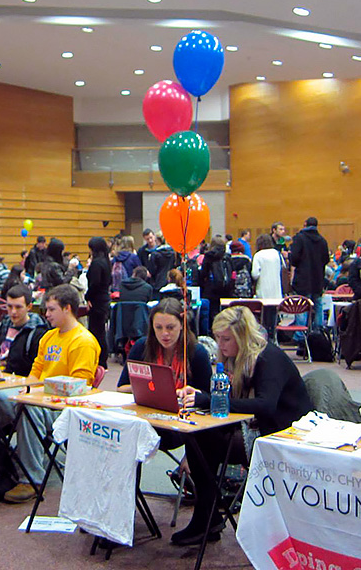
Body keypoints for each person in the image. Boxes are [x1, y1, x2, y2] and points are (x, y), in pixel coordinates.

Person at [175, 305, 311, 545]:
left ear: (243, 336)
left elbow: (265, 406)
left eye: (226, 339)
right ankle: (207, 514)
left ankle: (207, 516)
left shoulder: (268, 358)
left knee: (203, 441)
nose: (220, 345)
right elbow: (234, 402)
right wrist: (203, 398)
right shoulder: (236, 359)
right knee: (198, 436)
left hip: (282, 434)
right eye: (218, 338)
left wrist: (210, 400)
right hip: (257, 427)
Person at [2, 284, 101, 503]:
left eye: (51, 309)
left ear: (67, 308)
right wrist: (26, 390)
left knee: (28, 409)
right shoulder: (48, 337)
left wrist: (36, 392)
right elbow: (35, 373)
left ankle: (31, 480)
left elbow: (79, 387)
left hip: (63, 408)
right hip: (40, 399)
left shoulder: (83, 341)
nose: (46, 314)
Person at [116, 297, 210, 395]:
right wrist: (147, 387)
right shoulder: (141, 347)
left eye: (170, 327)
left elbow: (209, 395)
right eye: (158, 327)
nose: (164, 333)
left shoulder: (197, 352)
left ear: (182, 324)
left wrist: (195, 394)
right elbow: (121, 388)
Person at [288, 217, 329, 329]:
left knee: (302, 306)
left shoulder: (299, 238)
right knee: (318, 305)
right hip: (318, 279)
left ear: (305, 224)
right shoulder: (322, 240)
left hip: (303, 279)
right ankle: (318, 332)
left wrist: (290, 257)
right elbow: (326, 259)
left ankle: (300, 334)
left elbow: (294, 258)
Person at [85, 236, 111, 368]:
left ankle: (99, 360)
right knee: (101, 331)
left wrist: (87, 297)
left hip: (97, 300)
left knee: (96, 331)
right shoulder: (106, 262)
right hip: (104, 298)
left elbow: (94, 284)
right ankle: (102, 359)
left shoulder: (96, 263)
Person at [198, 236, 232, 336]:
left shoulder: (208, 256)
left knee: (212, 314)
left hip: (211, 290)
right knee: (225, 315)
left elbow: (203, 273)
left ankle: (214, 334)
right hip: (226, 290)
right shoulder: (227, 257)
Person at [251, 233, 283, 339]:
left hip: (263, 290)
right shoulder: (276, 253)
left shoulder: (258, 255)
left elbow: (255, 274)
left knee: (264, 316)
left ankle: (265, 337)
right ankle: (273, 336)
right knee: (273, 315)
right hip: (276, 291)